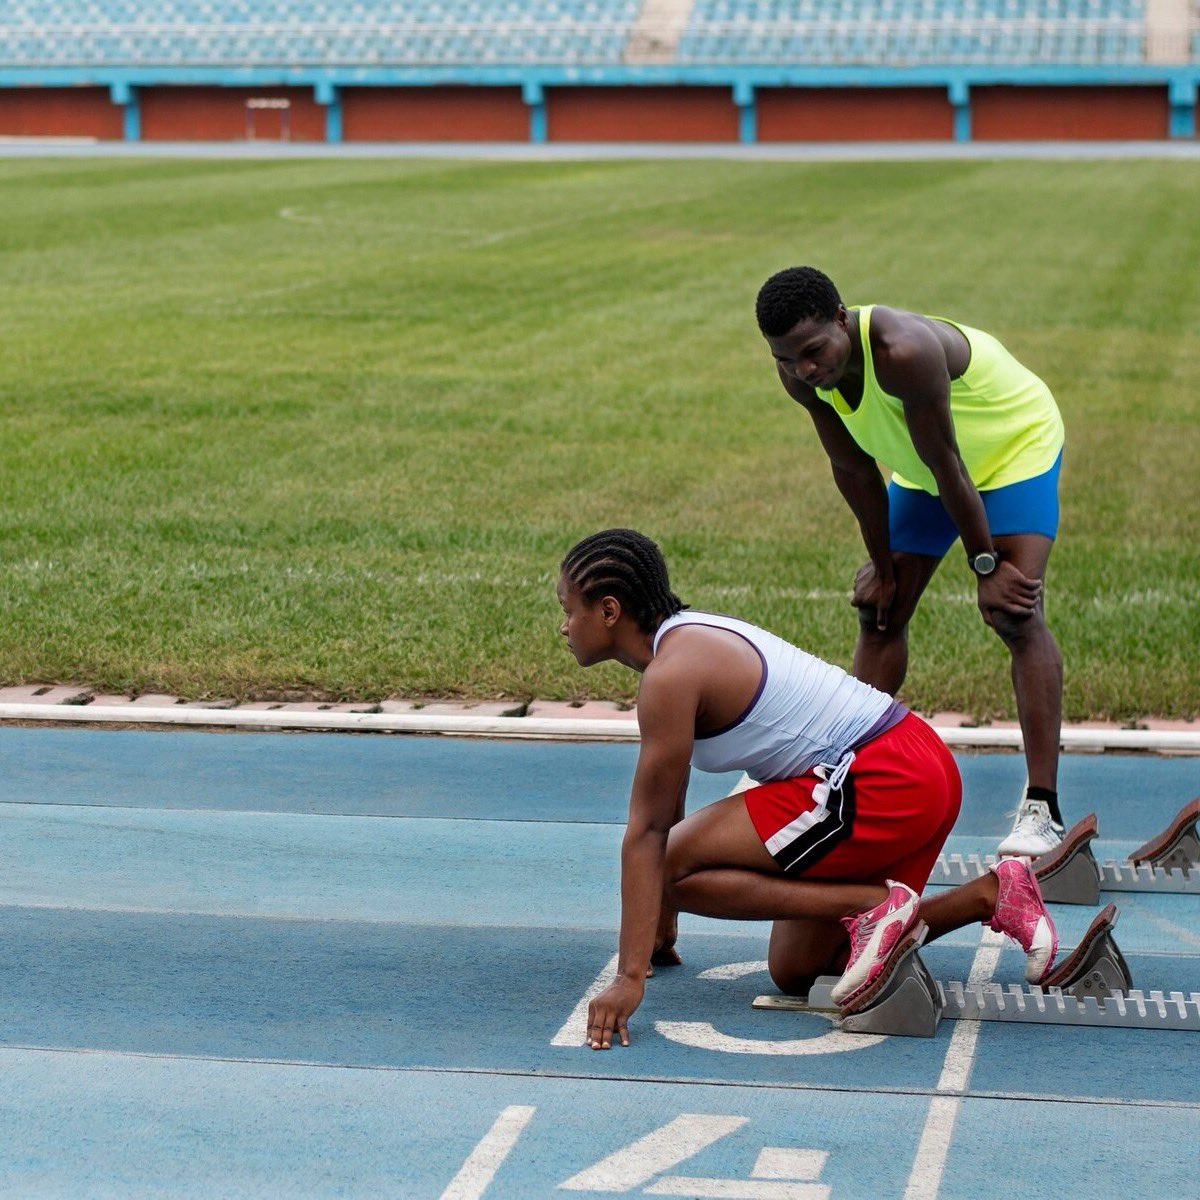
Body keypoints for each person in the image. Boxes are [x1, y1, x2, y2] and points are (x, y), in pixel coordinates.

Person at [558, 528, 1059, 1051]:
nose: (563, 627)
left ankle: (873, 905)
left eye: (569, 610)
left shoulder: (670, 675)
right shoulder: (684, 644)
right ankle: (990, 896)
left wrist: (628, 978)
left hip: (886, 777)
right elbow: (668, 797)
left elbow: (650, 832)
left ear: (610, 610)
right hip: (915, 766)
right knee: (798, 969)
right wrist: (659, 927)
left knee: (667, 863)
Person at [755, 266, 1066, 857]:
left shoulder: (903, 350)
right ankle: (833, 769)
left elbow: (950, 461)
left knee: (1016, 612)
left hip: (1011, 450)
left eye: (814, 351)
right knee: (882, 608)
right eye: (788, 358)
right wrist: (882, 565)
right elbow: (852, 469)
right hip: (929, 471)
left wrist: (985, 565)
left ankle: (1041, 810)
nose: (806, 369)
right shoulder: (799, 373)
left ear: (841, 317)